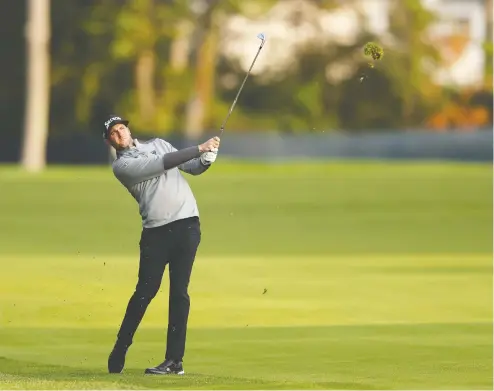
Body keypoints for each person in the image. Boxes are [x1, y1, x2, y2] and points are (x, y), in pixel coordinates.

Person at [102, 114, 220, 375]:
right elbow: (162, 164)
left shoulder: (160, 143)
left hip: (187, 225)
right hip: (156, 233)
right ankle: (121, 346)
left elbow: (192, 166)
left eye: (122, 128)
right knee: (145, 292)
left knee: (180, 293)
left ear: (129, 130)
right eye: (113, 133)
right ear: (109, 141)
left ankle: (174, 361)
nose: (119, 134)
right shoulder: (122, 167)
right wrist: (200, 146)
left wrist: (206, 159)